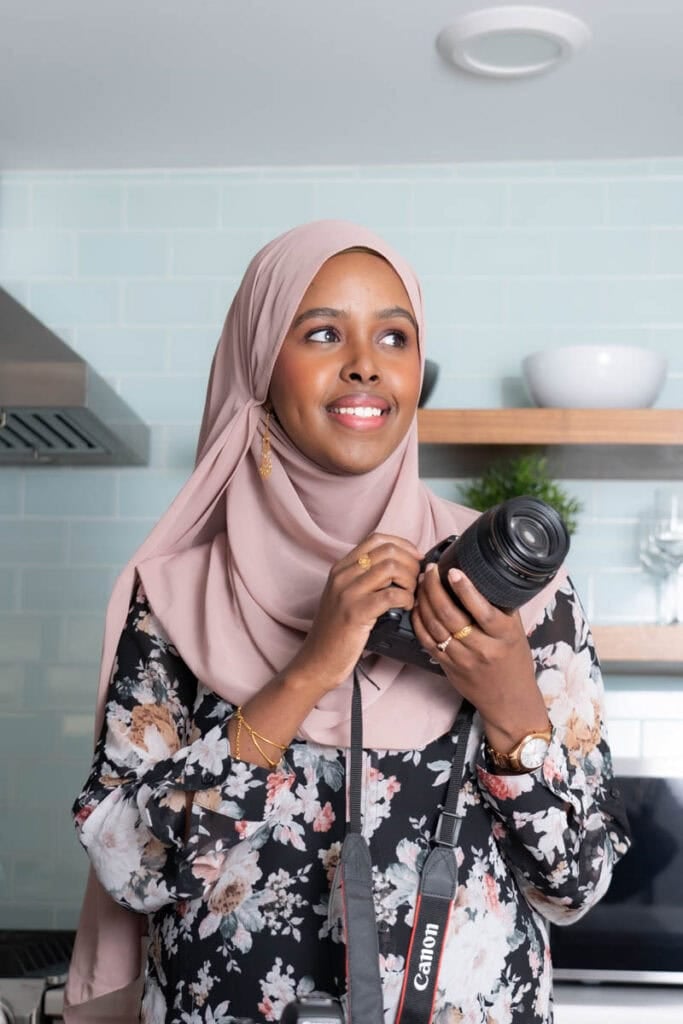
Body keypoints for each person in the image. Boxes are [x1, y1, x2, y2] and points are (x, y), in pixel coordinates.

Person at [65, 220, 630, 1024]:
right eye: (323, 332)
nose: (366, 362)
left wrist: (509, 705)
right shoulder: (175, 594)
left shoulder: (520, 594)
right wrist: (307, 670)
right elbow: (129, 866)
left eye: (394, 337)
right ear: (260, 361)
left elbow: (576, 883)